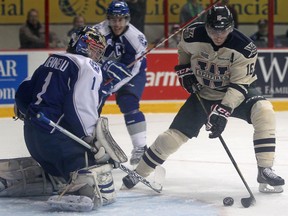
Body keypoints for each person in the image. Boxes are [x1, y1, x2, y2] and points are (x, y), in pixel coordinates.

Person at [122, 6, 285, 194]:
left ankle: (265, 169)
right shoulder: (191, 34)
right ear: (206, 27)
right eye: (213, 30)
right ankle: (140, 172)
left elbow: (239, 86)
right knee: (171, 138)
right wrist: (184, 71)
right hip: (204, 93)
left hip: (234, 94)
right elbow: (183, 51)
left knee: (264, 110)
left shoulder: (245, 48)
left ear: (231, 27)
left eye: (223, 30)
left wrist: (223, 112)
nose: (218, 35)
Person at [7, 26, 131, 211]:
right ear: (82, 44)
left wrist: (29, 115)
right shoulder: (88, 66)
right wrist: (91, 139)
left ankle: (46, 175)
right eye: (94, 48)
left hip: (33, 138)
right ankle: (80, 186)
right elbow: (80, 106)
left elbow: (24, 91)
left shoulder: (52, 59)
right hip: (58, 143)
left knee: (60, 159)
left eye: (99, 51)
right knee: (97, 163)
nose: (96, 55)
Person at [93, 0, 148, 166]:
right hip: (102, 72)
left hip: (130, 74)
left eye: (121, 19)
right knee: (92, 107)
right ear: (108, 18)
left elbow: (132, 70)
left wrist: (111, 87)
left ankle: (140, 148)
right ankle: (93, 146)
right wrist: (104, 72)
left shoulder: (136, 38)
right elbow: (88, 57)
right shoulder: (97, 32)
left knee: (128, 101)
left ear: (127, 19)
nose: (117, 24)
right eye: (113, 19)